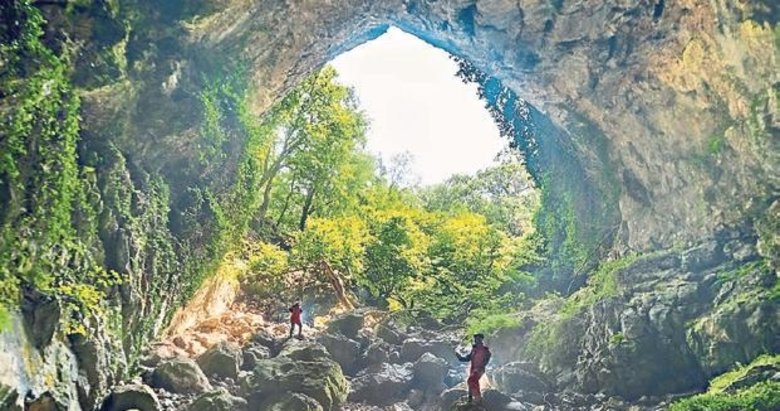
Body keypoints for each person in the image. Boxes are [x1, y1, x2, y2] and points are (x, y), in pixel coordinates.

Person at [455, 333, 492, 403]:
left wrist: (481, 366)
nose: (476, 340)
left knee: (471, 380)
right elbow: (466, 359)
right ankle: (470, 399)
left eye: (478, 339)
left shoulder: (485, 350)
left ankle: (478, 398)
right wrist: (458, 356)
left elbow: (487, 357)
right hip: (473, 370)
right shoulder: (473, 350)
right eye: (475, 339)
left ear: (481, 340)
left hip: (479, 369)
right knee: (471, 382)